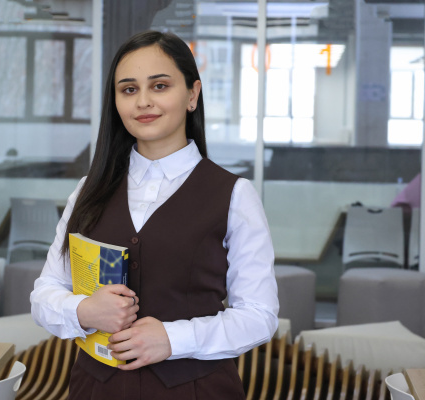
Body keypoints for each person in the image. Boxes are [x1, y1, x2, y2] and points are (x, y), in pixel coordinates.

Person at [30, 30, 279, 399]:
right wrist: (84, 311)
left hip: (196, 391)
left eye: (159, 86)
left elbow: (260, 315)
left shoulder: (234, 195)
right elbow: (44, 295)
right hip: (96, 389)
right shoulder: (88, 190)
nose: (143, 101)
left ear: (192, 95)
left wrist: (173, 338)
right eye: (129, 89)